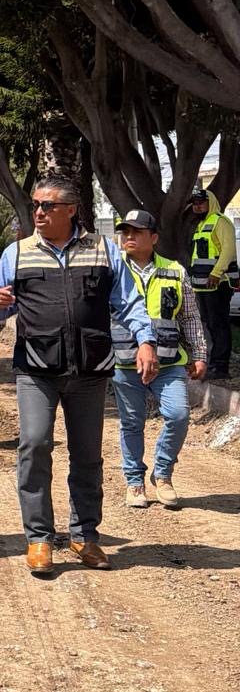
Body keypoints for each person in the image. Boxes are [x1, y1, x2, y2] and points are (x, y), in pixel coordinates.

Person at [0, 175, 157, 577]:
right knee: (34, 445)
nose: (39, 212)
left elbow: (128, 302)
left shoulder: (103, 251)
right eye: (36, 205)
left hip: (90, 371)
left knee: (86, 456)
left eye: (48, 206)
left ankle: (84, 536)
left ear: (72, 210)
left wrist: (145, 341)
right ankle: (39, 539)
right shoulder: (18, 253)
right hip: (36, 370)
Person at [111, 210, 207, 510]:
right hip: (124, 362)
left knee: (178, 416)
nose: (129, 236)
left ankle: (162, 474)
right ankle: (135, 482)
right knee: (131, 423)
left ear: (153, 238)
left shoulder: (175, 271)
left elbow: (189, 316)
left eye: (136, 231)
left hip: (168, 363)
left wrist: (199, 353)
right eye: (125, 231)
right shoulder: (111, 270)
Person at [186, 188, 236, 380]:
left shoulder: (220, 222)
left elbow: (229, 250)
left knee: (219, 324)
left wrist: (216, 273)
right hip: (202, 285)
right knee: (211, 324)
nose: (197, 206)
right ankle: (214, 363)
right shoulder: (202, 225)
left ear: (210, 202)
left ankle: (220, 367)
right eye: (194, 203)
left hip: (218, 284)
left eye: (200, 202)